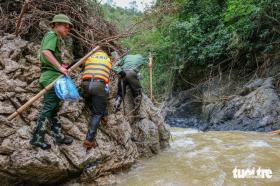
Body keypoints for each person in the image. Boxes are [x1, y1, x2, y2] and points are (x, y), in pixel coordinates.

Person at [30, 14, 74, 150]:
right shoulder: (52, 35)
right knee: (49, 107)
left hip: (53, 75)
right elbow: (46, 53)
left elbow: (50, 56)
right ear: (56, 25)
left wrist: (61, 67)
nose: (67, 29)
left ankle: (58, 136)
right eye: (65, 26)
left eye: (68, 27)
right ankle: (37, 138)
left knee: (54, 108)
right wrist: (59, 67)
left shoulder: (56, 38)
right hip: (50, 77)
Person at [81, 48, 112, 149]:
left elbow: (83, 67)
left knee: (96, 99)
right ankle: (89, 140)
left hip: (85, 84)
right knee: (97, 113)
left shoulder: (90, 56)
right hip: (98, 85)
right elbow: (107, 76)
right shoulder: (107, 60)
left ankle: (103, 115)